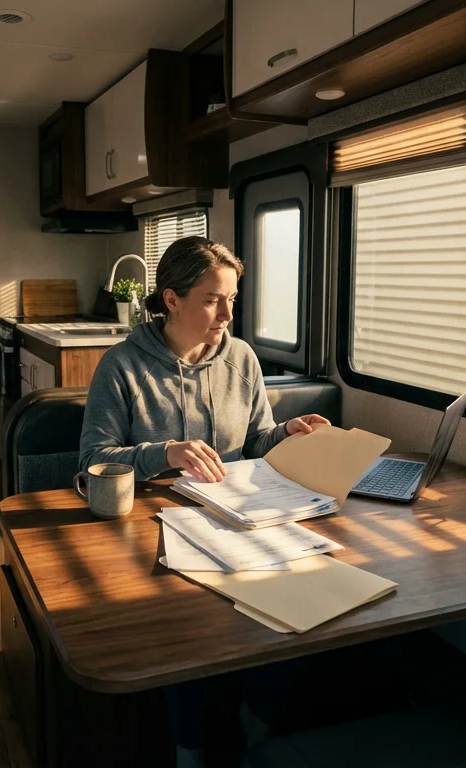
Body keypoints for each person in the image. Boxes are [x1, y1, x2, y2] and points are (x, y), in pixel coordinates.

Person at [79, 236, 329, 766]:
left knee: (293, 614)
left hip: (239, 520)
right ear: (171, 300)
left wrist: (290, 431)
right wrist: (165, 451)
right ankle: (189, 747)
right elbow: (94, 458)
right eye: (214, 299)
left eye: (233, 298)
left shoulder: (241, 357)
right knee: (186, 630)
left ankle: (258, 729)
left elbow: (257, 441)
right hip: (154, 526)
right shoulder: (121, 365)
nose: (228, 312)